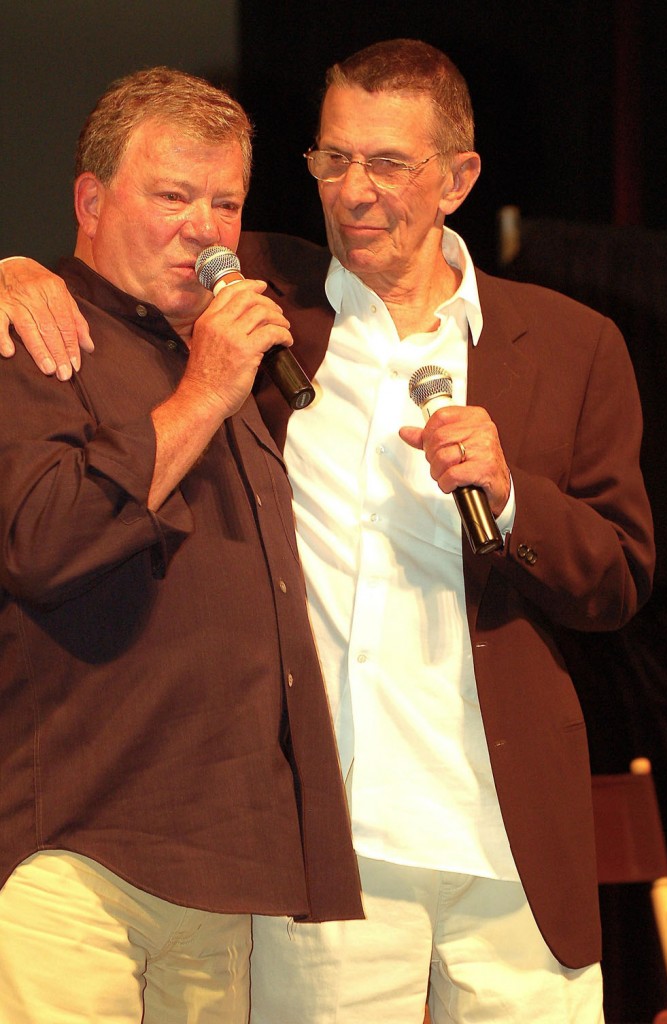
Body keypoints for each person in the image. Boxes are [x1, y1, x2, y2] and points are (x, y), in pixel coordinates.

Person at [0, 39, 655, 1024]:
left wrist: (513, 494)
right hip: (324, 846)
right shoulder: (256, 303)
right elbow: (122, 251)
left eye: (387, 164)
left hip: (507, 842)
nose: (353, 192)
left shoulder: (569, 342)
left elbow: (615, 577)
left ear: (457, 177)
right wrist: (14, 275)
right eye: (331, 159)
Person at [0, 66, 363, 1024]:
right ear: (89, 200)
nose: (206, 230)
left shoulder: (234, 353)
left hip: (220, 862)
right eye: (172, 196)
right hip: (70, 853)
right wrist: (204, 391)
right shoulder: (31, 338)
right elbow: (40, 545)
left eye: (226, 203)